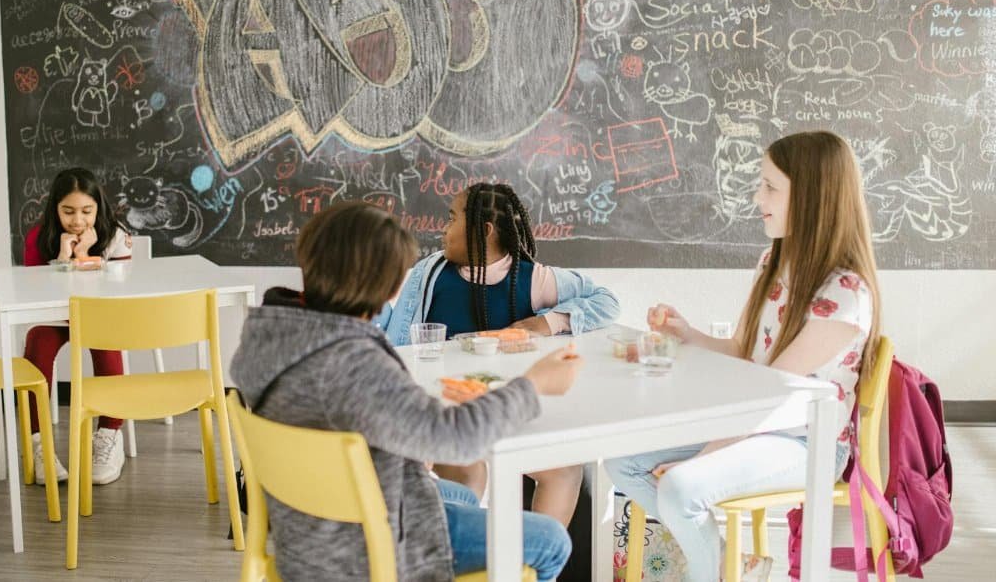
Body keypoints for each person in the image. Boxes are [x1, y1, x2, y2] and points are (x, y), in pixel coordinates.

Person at [231, 201, 581, 581]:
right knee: (550, 540)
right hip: (370, 545)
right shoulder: (354, 362)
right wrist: (534, 384)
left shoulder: (271, 337)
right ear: (391, 284)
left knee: (461, 496)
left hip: (306, 535)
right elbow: (454, 440)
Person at [605, 131, 882, 581]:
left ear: (812, 197)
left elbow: (770, 395)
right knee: (622, 460)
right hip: (756, 422)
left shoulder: (846, 294)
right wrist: (688, 334)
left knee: (679, 487)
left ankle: (718, 569)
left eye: (771, 187)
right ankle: (727, 565)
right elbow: (743, 353)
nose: (757, 197)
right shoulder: (773, 262)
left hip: (807, 442)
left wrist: (701, 457)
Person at [379, 183, 620, 526]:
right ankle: (465, 560)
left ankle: (530, 570)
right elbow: (395, 339)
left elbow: (606, 302)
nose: (442, 230)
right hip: (446, 413)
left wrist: (543, 323)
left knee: (565, 469)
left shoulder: (532, 279)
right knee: (466, 470)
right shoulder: (427, 275)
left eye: (451, 219)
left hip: (510, 413)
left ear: (484, 231)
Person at [23, 167, 133, 486]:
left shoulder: (116, 237)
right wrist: (61, 258)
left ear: (98, 208)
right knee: (37, 346)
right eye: (68, 211)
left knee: (107, 344)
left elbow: (118, 294)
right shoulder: (37, 238)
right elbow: (34, 295)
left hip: (100, 315)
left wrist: (84, 255)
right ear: (54, 209)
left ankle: (110, 433)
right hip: (55, 317)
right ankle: (38, 443)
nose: (77, 221)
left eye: (87, 211)